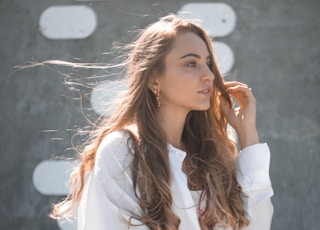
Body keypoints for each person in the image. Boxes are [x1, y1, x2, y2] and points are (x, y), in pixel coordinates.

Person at [51, 14, 273, 230]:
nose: (209, 75)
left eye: (208, 63)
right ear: (153, 78)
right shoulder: (122, 152)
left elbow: (258, 225)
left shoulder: (214, 155)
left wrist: (247, 135)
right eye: (191, 64)